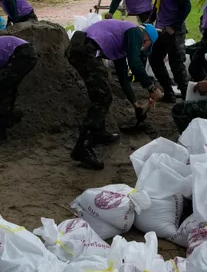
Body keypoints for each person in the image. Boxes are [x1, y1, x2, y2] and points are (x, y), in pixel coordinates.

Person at [66, 19, 163, 170]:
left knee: (101, 91)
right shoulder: (135, 32)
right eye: (146, 46)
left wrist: (136, 105)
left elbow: (123, 78)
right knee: (103, 97)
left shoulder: (122, 41)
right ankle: (82, 148)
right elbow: (135, 63)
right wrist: (151, 88)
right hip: (85, 49)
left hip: (80, 48)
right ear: (147, 40)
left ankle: (98, 132)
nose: (143, 48)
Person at [146, 0, 191, 102]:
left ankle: (186, 96)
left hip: (174, 30)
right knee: (155, 60)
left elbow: (186, 7)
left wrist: (174, 26)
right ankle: (169, 93)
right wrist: (151, 18)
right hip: (160, 29)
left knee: (176, 64)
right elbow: (157, 4)